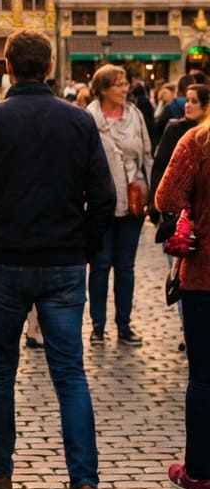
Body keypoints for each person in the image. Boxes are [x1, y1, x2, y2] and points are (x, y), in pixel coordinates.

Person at [0, 29, 115, 489]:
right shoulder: (78, 121)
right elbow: (105, 197)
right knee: (71, 375)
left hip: (7, 262)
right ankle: (84, 486)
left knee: (0, 370)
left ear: (7, 67)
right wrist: (85, 248)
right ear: (49, 68)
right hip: (65, 263)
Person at [155, 106, 210, 489]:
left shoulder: (197, 141)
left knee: (205, 377)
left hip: (205, 276)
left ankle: (200, 474)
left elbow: (167, 196)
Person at [86, 64, 153, 346]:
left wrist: (152, 194)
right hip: (102, 203)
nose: (125, 89)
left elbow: (146, 154)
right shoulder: (89, 118)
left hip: (134, 202)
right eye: (118, 85)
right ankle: (98, 326)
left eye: (126, 84)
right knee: (100, 266)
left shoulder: (135, 116)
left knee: (125, 266)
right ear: (103, 89)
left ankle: (124, 325)